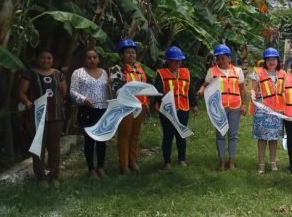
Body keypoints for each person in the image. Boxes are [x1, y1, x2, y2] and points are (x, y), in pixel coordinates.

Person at [17, 49, 67, 188]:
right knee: (38, 146)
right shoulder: (30, 73)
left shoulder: (58, 74)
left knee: (54, 147)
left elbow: (63, 93)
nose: (46, 60)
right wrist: (27, 102)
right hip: (38, 114)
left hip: (56, 114)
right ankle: (41, 177)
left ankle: (54, 175)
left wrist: (55, 102)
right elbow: (21, 92)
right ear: (38, 59)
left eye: (49, 58)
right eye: (43, 58)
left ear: (53, 60)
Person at [198, 44, 246, 171]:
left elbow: (242, 89)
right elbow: (205, 84)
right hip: (219, 107)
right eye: (218, 59)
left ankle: (231, 161)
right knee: (220, 134)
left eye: (222, 58)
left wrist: (244, 105)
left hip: (235, 105)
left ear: (229, 58)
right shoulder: (212, 71)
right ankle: (222, 161)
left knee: (233, 135)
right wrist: (201, 89)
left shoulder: (238, 71)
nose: (220, 61)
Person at [154, 45, 198, 169]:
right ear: (168, 60)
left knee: (181, 135)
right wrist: (157, 104)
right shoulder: (161, 74)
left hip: (183, 108)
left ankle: (182, 159)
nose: (178, 62)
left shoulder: (186, 72)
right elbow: (158, 91)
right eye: (175, 60)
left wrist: (194, 104)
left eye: (180, 60)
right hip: (167, 110)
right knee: (168, 135)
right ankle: (167, 161)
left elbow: (189, 90)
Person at [109, 38, 149, 174]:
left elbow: (144, 87)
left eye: (133, 52)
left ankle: (133, 161)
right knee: (125, 135)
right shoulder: (116, 69)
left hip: (141, 106)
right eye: (128, 53)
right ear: (121, 55)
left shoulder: (139, 68)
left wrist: (146, 103)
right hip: (126, 107)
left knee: (135, 134)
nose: (131, 55)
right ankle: (124, 165)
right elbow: (115, 88)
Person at [70, 49, 110, 179]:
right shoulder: (78, 73)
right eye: (89, 57)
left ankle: (101, 167)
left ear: (98, 59)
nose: (92, 60)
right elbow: (73, 91)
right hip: (87, 110)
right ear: (84, 59)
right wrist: (83, 99)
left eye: (95, 57)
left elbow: (109, 90)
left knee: (102, 140)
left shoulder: (104, 73)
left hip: (103, 109)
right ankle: (91, 169)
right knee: (90, 140)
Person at [249, 47, 286, 173]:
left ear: (277, 60)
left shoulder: (283, 74)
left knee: (274, 138)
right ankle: (261, 164)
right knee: (262, 138)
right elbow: (253, 89)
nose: (271, 62)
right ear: (265, 61)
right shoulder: (257, 73)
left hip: (277, 110)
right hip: (262, 110)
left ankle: (273, 163)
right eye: (269, 59)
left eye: (274, 59)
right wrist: (252, 94)